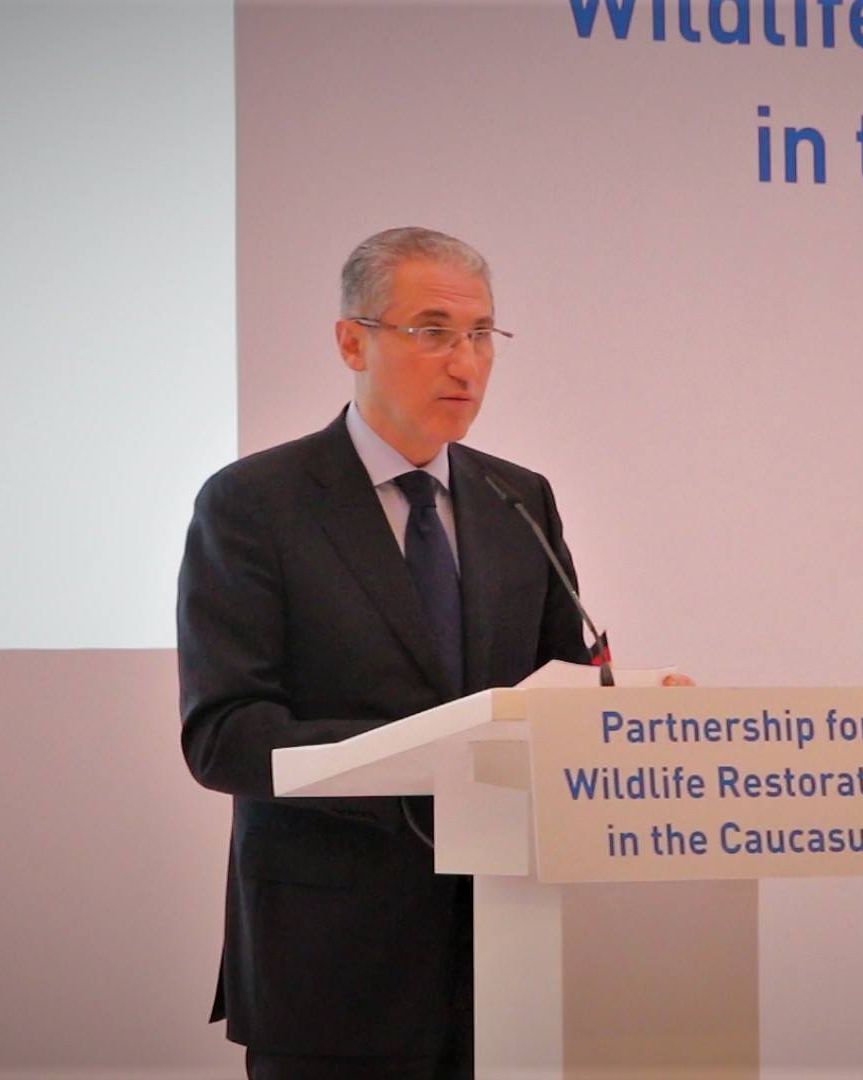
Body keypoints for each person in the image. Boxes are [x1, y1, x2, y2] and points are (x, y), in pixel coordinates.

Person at [177, 227, 654, 1079]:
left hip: (513, 959)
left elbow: (557, 689)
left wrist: (621, 713)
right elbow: (226, 737)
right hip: (330, 965)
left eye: (482, 334)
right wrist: (437, 751)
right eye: (433, 331)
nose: (465, 363)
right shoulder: (255, 503)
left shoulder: (519, 498)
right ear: (351, 341)